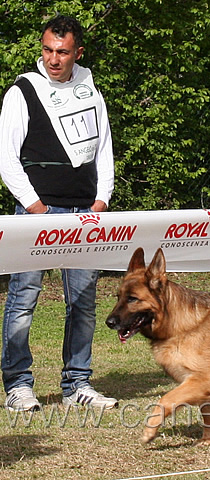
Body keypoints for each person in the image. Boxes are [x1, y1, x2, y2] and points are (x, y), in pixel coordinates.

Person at [0, 15, 117, 411]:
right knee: (23, 299)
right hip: (36, 214)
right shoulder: (22, 90)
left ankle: (77, 384)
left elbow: (104, 148)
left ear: (77, 53)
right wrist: (37, 208)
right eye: (48, 49)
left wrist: (101, 201)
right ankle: (18, 385)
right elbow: (7, 159)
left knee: (83, 303)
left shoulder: (89, 85)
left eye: (62, 52)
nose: (53, 59)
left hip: (86, 212)